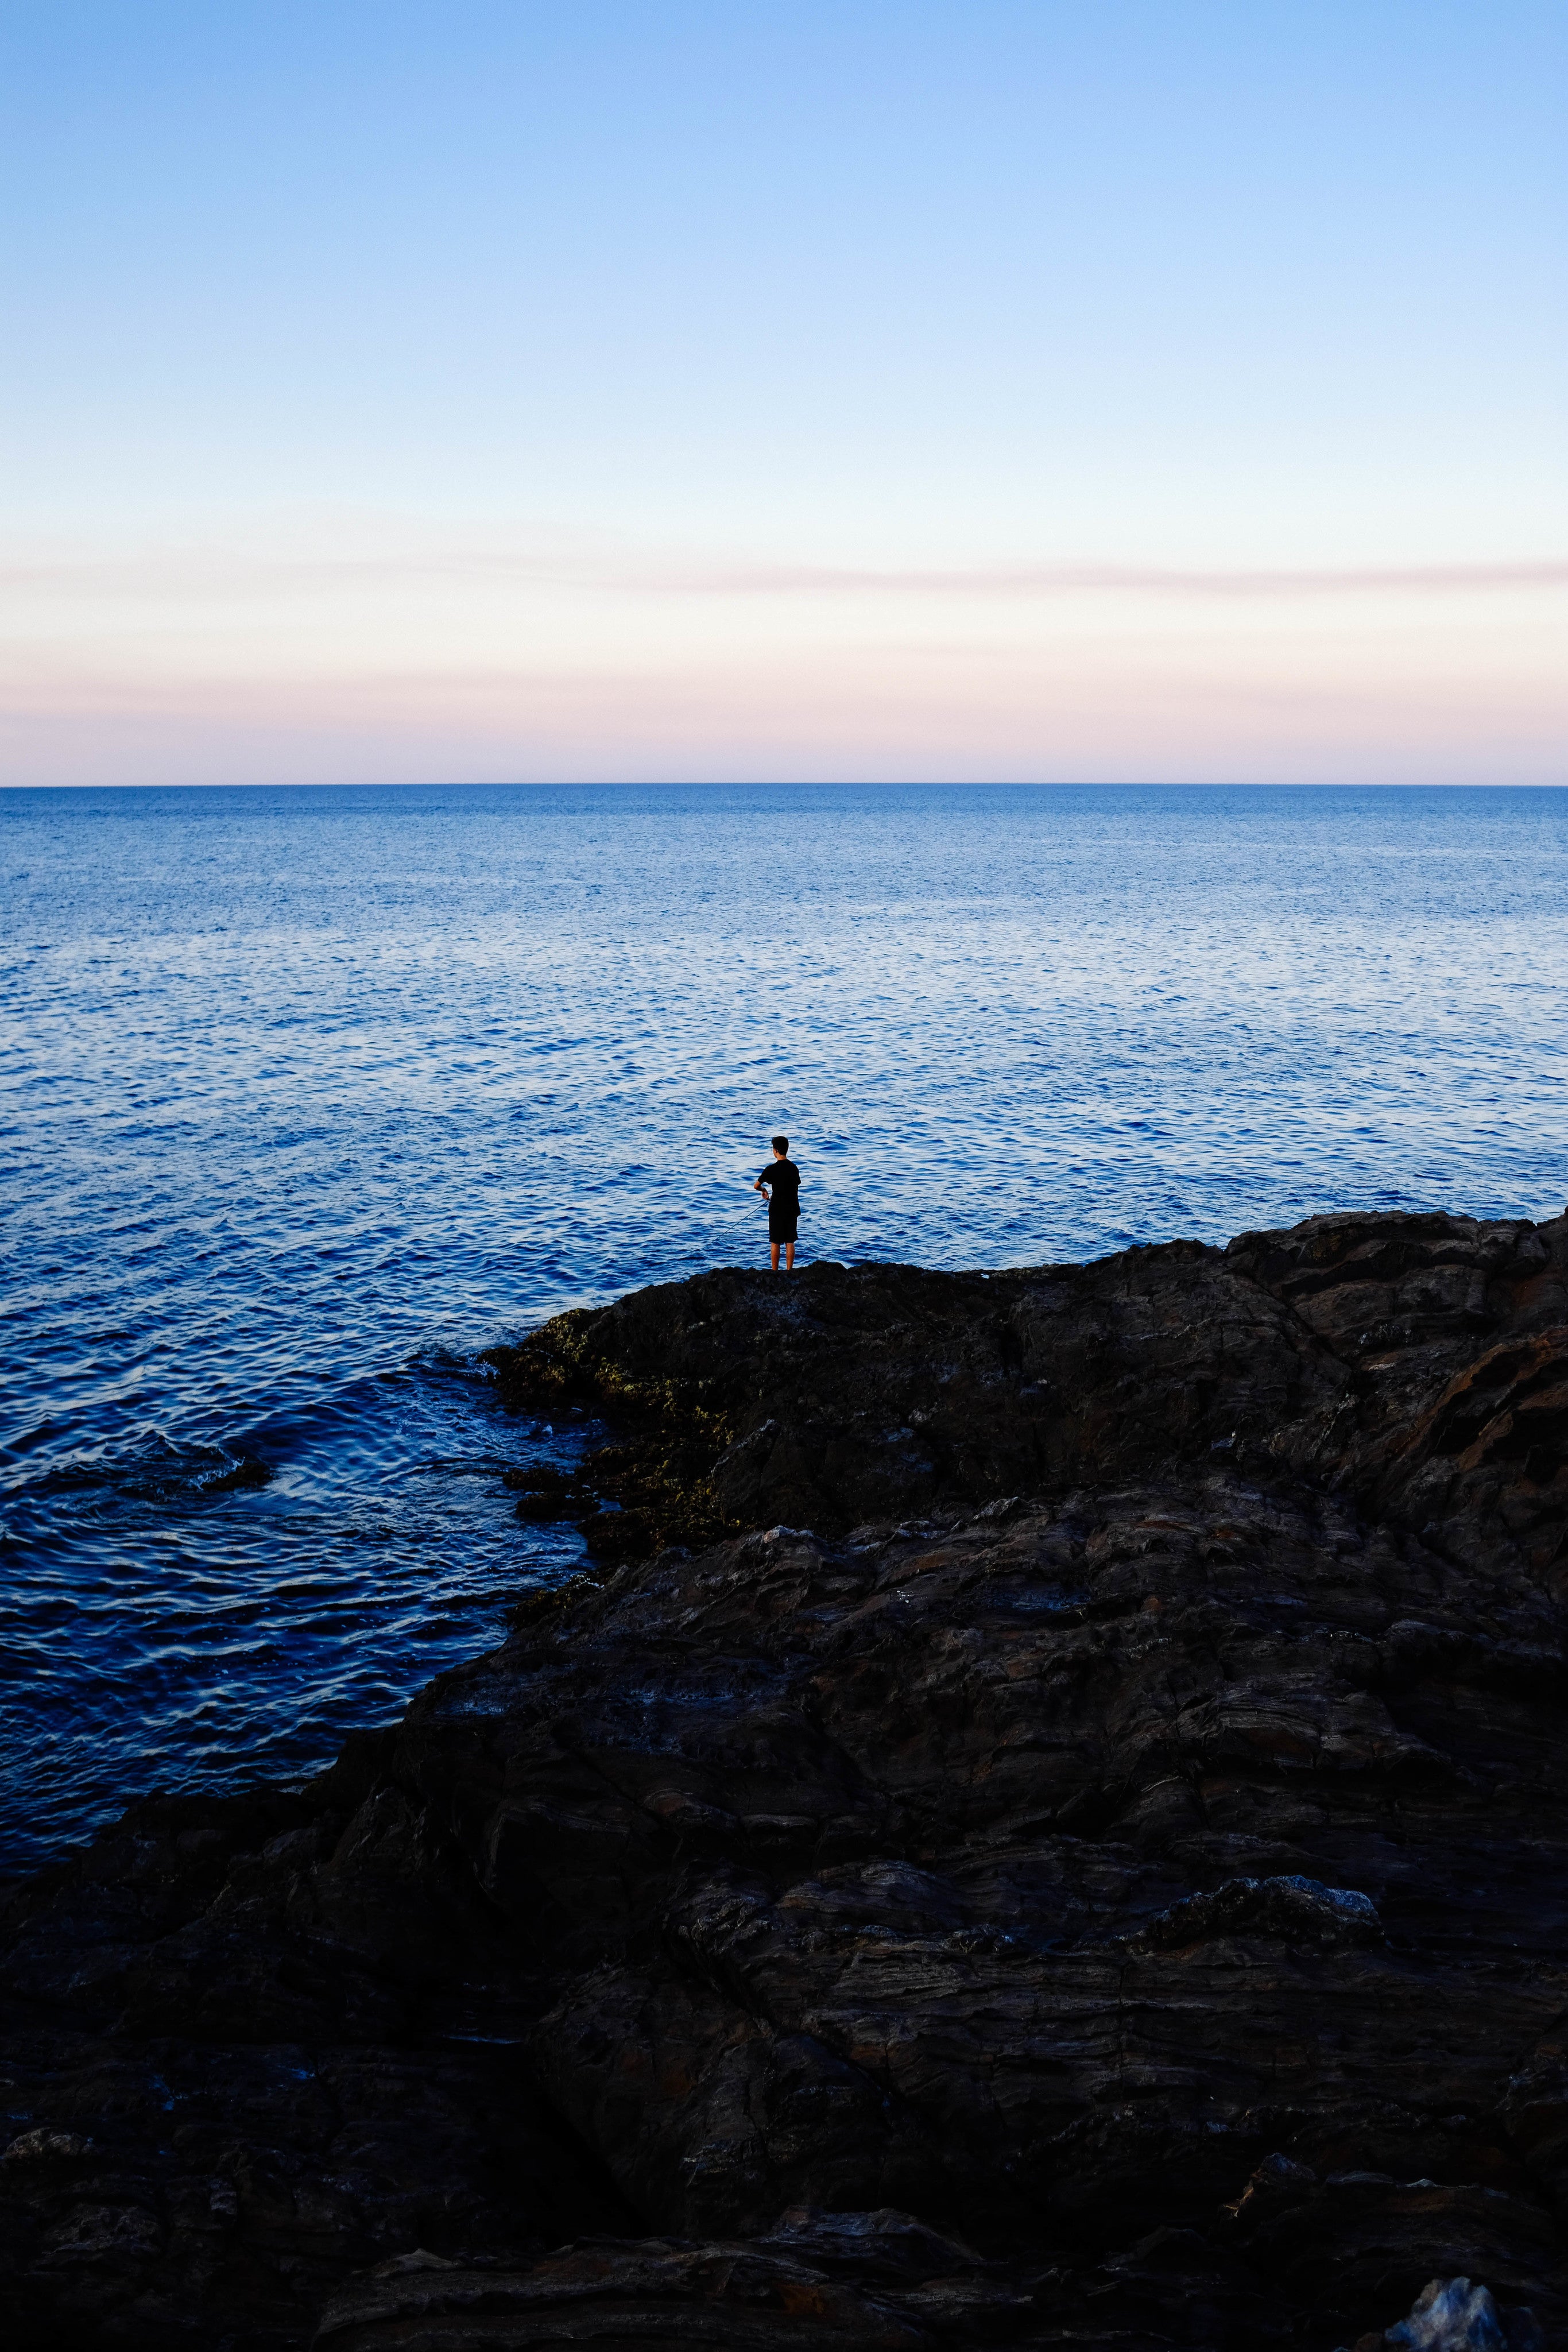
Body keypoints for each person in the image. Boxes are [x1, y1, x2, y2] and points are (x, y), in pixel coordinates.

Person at [753, 1135, 800, 1270]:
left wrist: (764, 1190)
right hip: (792, 1208)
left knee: (775, 1242)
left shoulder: (771, 1169)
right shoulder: (793, 1168)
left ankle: (775, 1272)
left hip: (777, 1209)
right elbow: (794, 1186)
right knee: (790, 1241)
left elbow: (756, 1186)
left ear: (775, 1150)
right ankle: (789, 1271)